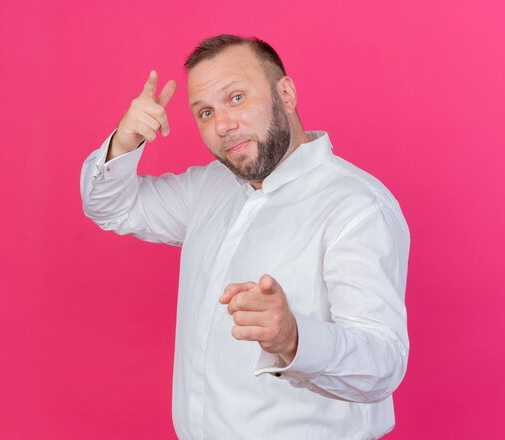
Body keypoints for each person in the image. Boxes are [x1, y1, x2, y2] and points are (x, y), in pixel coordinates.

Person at [80, 34, 410, 440]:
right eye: (204, 112)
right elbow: (112, 205)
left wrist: (293, 337)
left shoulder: (356, 207)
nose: (222, 125)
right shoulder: (208, 188)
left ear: (285, 93)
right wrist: (123, 143)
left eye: (236, 97)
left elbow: (382, 364)